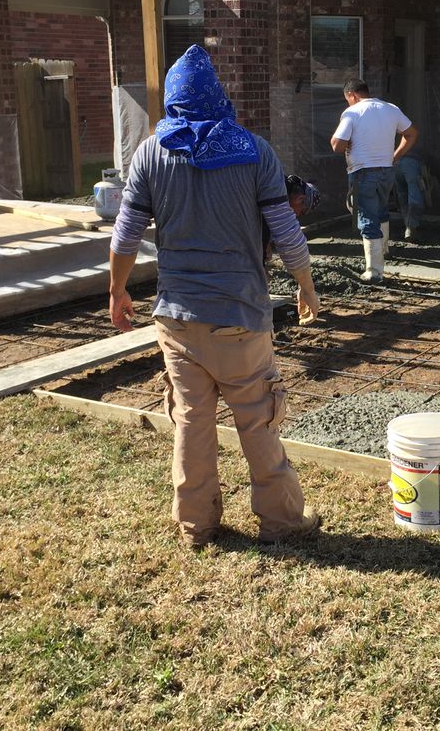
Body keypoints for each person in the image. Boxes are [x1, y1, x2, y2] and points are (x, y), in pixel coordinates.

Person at [108, 45, 322, 547]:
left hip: (177, 319)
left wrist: (117, 289)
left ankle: (196, 524)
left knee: (191, 423)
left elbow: (125, 234)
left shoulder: (151, 153)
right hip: (241, 316)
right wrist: (306, 285)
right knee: (258, 421)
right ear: (218, 96)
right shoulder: (253, 150)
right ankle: (283, 521)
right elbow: (285, 230)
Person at [330, 78, 418, 282]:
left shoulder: (353, 112)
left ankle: (374, 271)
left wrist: (345, 141)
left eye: (348, 99)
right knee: (381, 209)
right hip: (387, 171)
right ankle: (384, 251)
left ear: (352, 95)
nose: (348, 103)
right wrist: (396, 156)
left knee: (367, 218)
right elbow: (412, 134)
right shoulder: (391, 109)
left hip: (363, 173)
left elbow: (337, 145)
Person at [393, 153, 427, 242]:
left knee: (402, 194)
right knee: (415, 194)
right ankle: (411, 227)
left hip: (396, 161)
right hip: (413, 161)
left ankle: (408, 226)